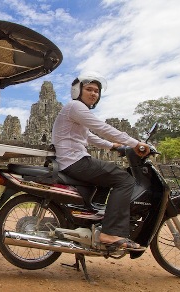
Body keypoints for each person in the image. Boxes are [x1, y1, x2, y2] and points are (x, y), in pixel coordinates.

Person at [51, 72, 150, 251]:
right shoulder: (75, 106)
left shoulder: (77, 111)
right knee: (124, 180)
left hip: (74, 160)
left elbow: (88, 135)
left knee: (107, 179)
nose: (94, 93)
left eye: (97, 91)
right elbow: (101, 127)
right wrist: (136, 144)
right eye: (89, 89)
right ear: (77, 90)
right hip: (75, 161)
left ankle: (92, 221)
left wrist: (111, 146)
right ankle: (110, 233)